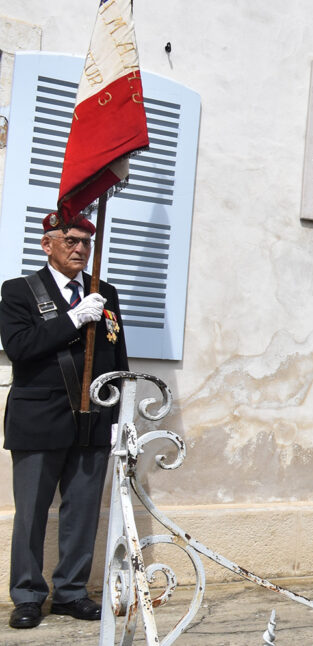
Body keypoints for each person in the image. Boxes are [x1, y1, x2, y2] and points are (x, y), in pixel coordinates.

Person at [0, 212, 129, 629]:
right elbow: (20, 347)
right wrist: (72, 320)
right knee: (32, 512)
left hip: (92, 418)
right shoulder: (19, 291)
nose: (80, 249)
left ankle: (71, 593)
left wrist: (117, 413)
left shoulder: (103, 292)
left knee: (83, 512)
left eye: (86, 243)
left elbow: (116, 358)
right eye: (70, 240)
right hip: (39, 418)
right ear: (47, 244)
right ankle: (27, 595)